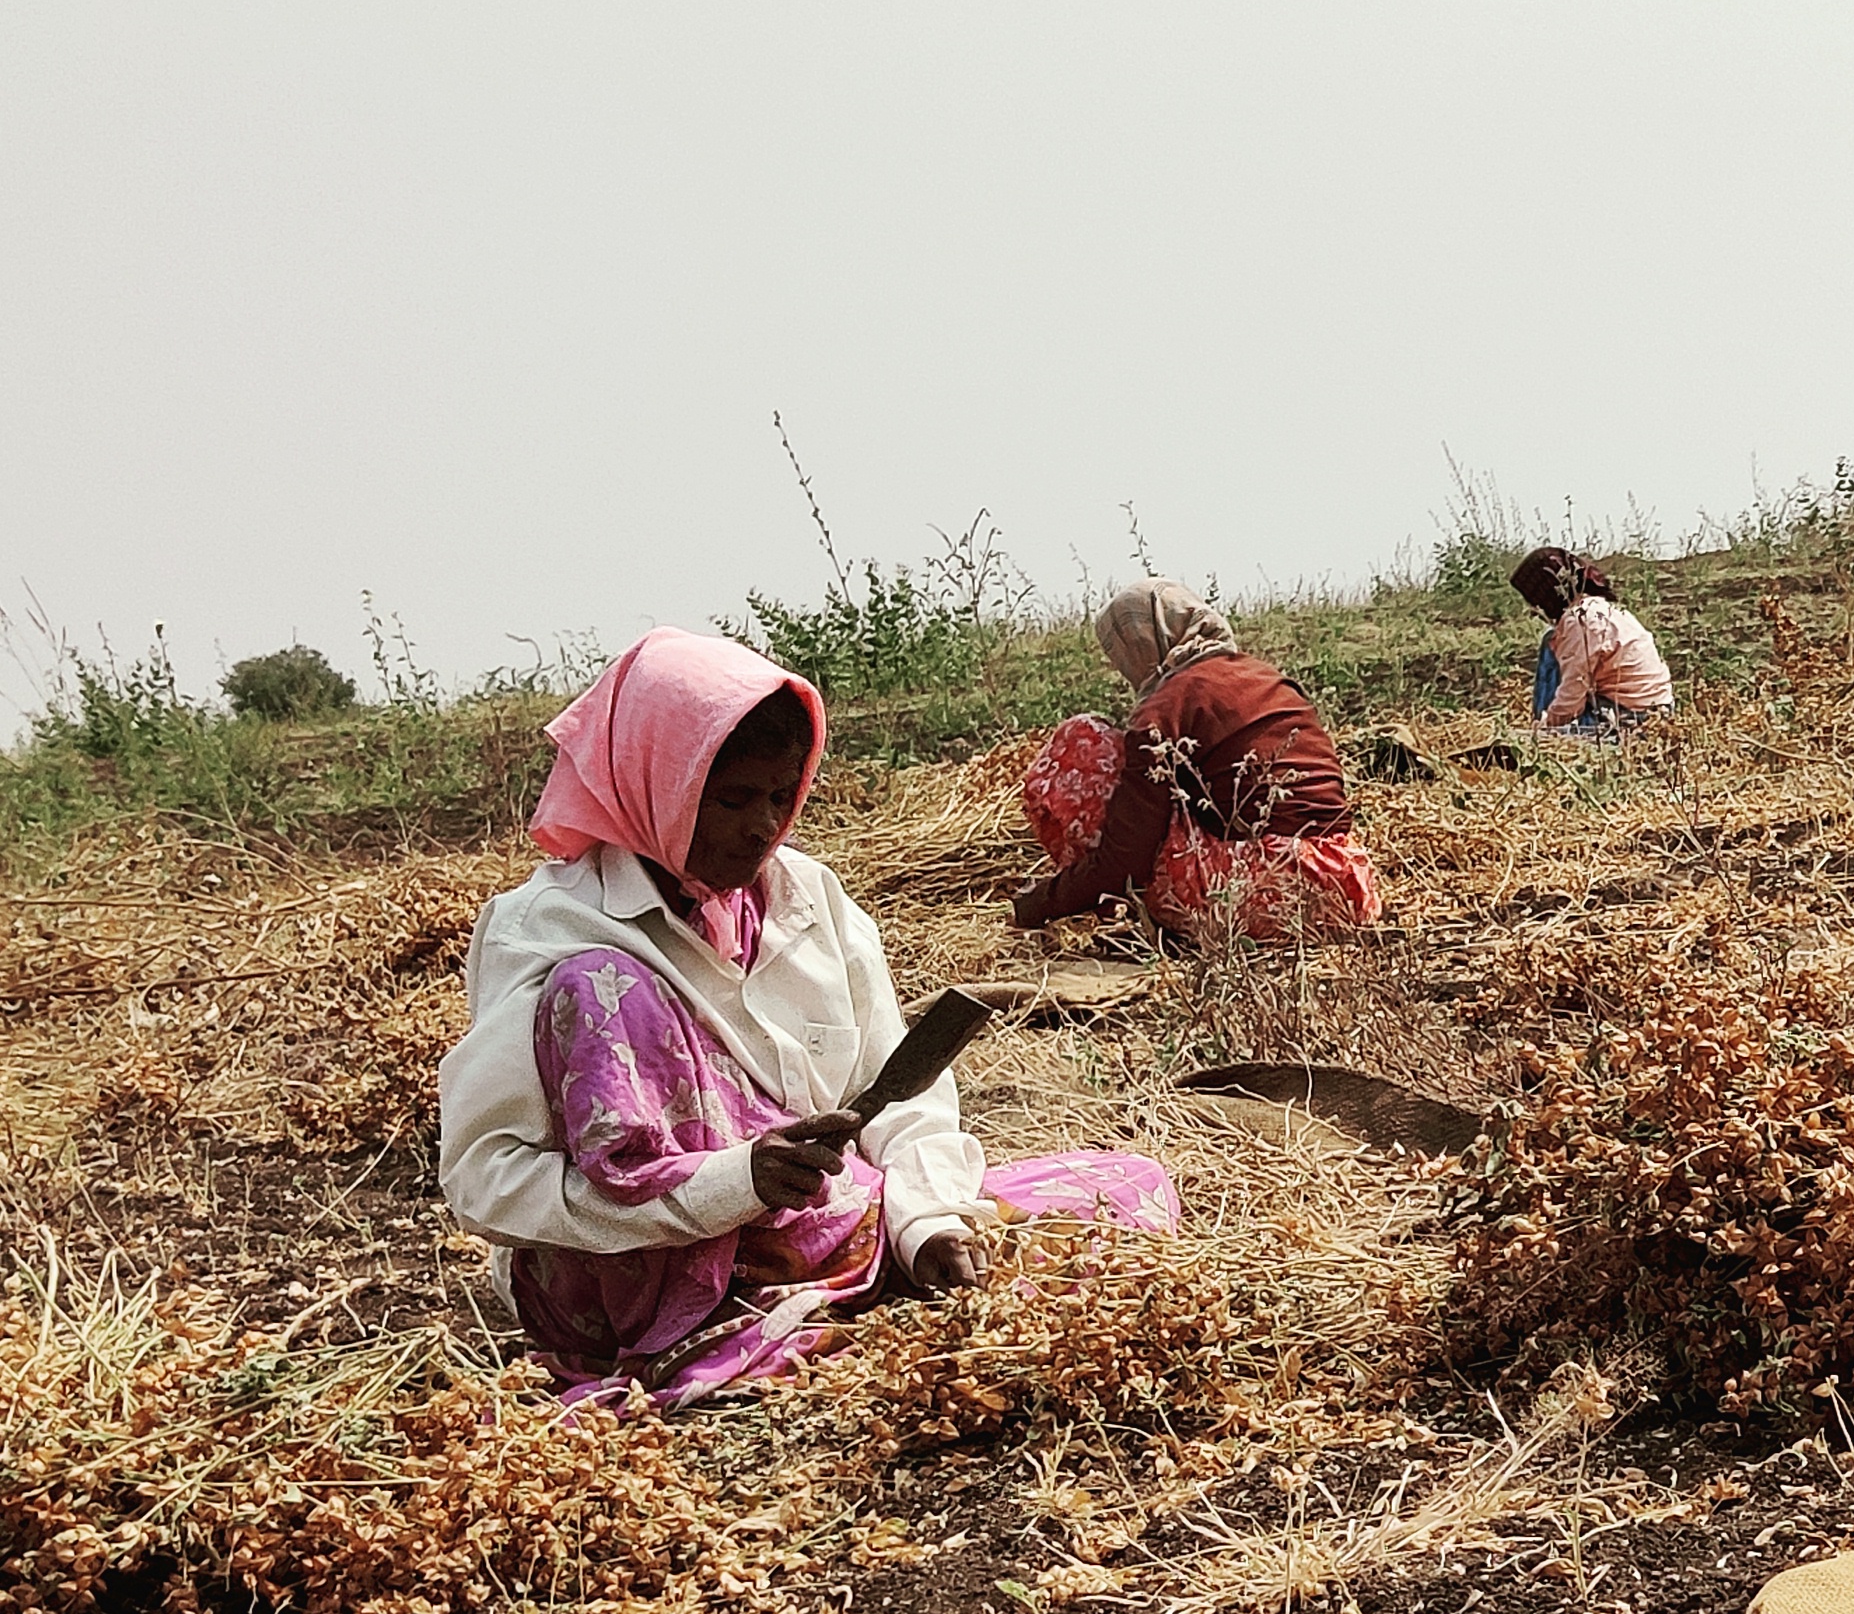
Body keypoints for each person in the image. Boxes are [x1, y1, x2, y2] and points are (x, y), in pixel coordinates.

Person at [441, 630, 1176, 1405]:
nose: (763, 827)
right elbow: (485, 1182)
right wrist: (731, 1183)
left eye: (780, 797)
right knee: (604, 988)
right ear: (657, 784)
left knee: (1128, 1189)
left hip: (823, 1229)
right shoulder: (551, 929)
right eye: (732, 800)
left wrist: (925, 1224)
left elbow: (901, 1094)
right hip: (629, 1278)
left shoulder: (808, 897)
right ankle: (743, 1316)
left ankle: (833, 1286)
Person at [1014, 581, 1381, 941]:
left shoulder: (1165, 710)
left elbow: (1124, 860)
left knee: (1082, 742)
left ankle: (1166, 921)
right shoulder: (1267, 677)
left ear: (1141, 645)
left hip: (1272, 897)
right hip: (1347, 886)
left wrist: (1040, 903)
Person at [1514, 546, 1675, 739]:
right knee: (1552, 639)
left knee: (1549, 643)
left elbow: (1572, 694)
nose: (1533, 610)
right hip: (1658, 710)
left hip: (1632, 719)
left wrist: (1546, 729)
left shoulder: (1579, 621)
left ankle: (1542, 726)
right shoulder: (1601, 608)